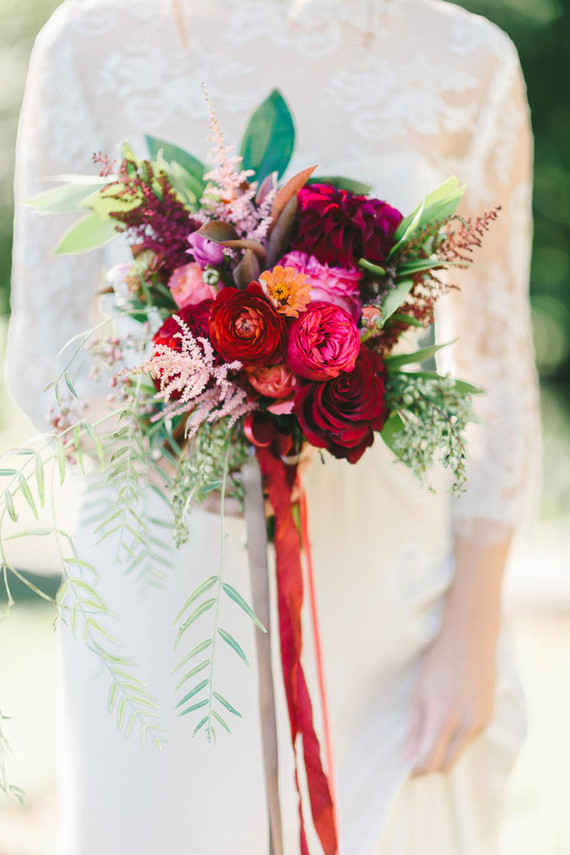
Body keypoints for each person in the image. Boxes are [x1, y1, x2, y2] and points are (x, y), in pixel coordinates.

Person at [7, 0, 539, 852]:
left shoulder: (466, 58)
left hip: (391, 587)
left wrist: (471, 630)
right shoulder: (92, 41)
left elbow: (500, 371)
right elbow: (46, 342)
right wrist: (180, 427)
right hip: (167, 561)